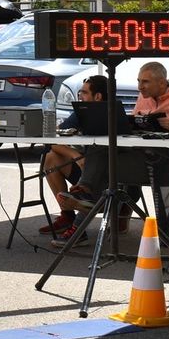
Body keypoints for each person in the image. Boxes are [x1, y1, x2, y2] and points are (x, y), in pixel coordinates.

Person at [53, 62, 169, 246]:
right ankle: (85, 195)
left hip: (164, 162)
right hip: (138, 156)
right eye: (138, 81)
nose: (139, 87)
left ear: (161, 82)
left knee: (101, 165)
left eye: (145, 82)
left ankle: (84, 212)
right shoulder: (144, 97)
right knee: (102, 146)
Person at [36, 74, 109, 238]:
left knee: (97, 158)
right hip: (85, 168)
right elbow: (51, 140)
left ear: (97, 96)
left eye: (83, 93)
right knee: (50, 158)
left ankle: (78, 226)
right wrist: (76, 155)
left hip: (108, 175)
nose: (79, 97)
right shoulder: (80, 112)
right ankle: (68, 216)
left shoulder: (113, 114)